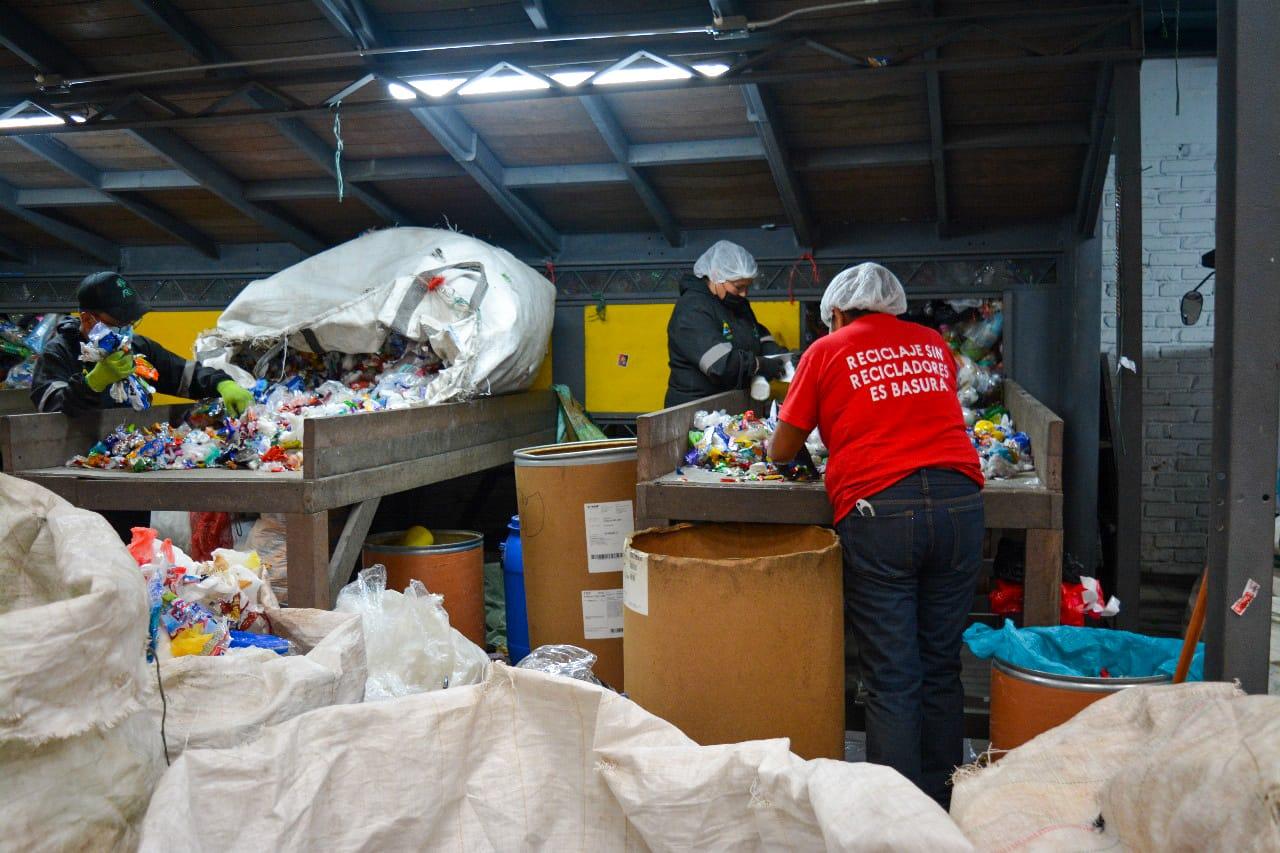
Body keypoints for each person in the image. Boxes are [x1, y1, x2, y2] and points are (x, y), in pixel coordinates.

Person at [768, 262, 983, 808]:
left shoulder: (827, 349)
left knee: (891, 674)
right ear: (893, 306)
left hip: (880, 510)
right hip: (960, 504)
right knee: (940, 666)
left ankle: (893, 820)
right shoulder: (932, 342)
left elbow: (781, 450)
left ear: (837, 312)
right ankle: (942, 807)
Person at [31, 271, 253, 418]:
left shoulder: (136, 348)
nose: (126, 328)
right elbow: (53, 407)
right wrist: (93, 383)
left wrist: (223, 384)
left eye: (131, 322)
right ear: (88, 319)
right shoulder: (59, 352)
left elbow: (182, 375)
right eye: (119, 323)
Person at [664, 240, 787, 407]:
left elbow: (756, 334)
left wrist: (781, 357)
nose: (744, 294)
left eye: (747, 286)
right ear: (716, 276)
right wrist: (759, 364)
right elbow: (720, 364)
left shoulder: (735, 303)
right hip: (695, 410)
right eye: (739, 286)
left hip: (729, 406)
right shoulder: (692, 310)